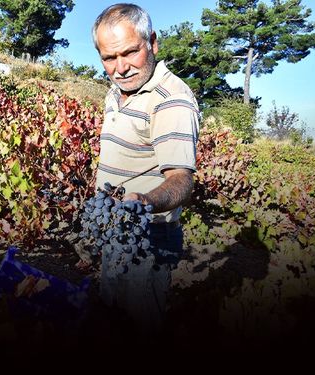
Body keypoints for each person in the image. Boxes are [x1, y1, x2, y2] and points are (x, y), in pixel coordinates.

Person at [90, 3, 200, 336]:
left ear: (152, 42)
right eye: (109, 58)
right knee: (113, 319)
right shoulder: (118, 91)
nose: (120, 67)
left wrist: (143, 201)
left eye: (130, 53)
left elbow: (182, 181)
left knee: (138, 330)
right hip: (117, 225)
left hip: (148, 234)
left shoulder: (170, 99)